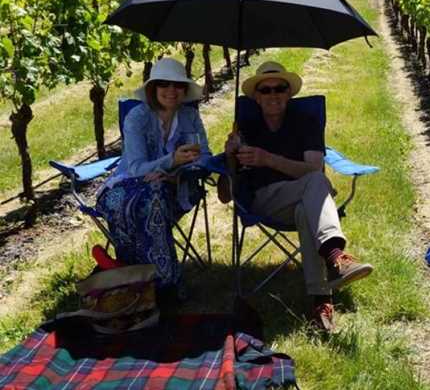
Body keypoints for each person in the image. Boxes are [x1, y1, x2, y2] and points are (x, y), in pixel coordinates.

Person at [220, 61, 373, 332]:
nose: (273, 94)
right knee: (316, 182)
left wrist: (268, 159)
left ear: (289, 93)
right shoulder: (247, 127)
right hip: (264, 200)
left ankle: (321, 301)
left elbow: (315, 166)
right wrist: (229, 156)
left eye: (279, 88)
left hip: (306, 201)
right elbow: (225, 193)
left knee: (307, 206)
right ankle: (336, 255)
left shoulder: (306, 122)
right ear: (256, 97)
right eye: (265, 90)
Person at [96, 57, 211, 291]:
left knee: (155, 192)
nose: (171, 90)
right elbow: (137, 168)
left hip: (174, 189)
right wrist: (171, 160)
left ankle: (137, 277)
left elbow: (206, 156)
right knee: (151, 195)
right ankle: (165, 281)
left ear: (185, 90)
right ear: (152, 89)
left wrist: (175, 174)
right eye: (163, 84)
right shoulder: (137, 117)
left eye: (178, 85)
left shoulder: (190, 117)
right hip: (127, 187)